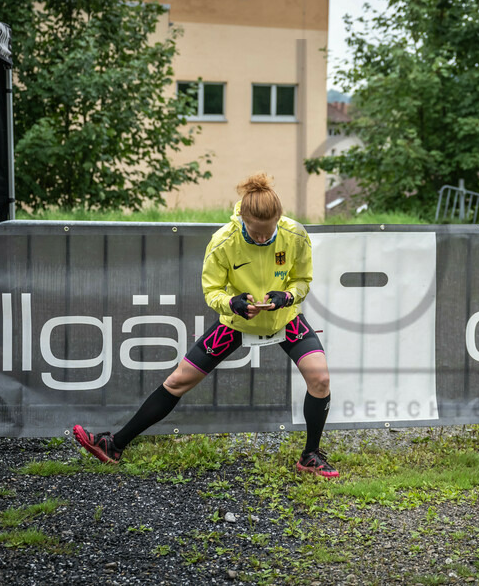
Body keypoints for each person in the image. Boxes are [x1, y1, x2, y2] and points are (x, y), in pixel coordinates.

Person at [73, 172, 338, 477]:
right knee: (177, 382)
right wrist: (232, 303)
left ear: (280, 218)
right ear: (243, 219)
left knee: (320, 380)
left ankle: (310, 456)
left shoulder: (296, 234)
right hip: (236, 323)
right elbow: (212, 291)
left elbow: (302, 279)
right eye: (256, 232)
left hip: (285, 319)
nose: (264, 239)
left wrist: (288, 296)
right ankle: (114, 444)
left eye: (270, 232)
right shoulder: (223, 240)